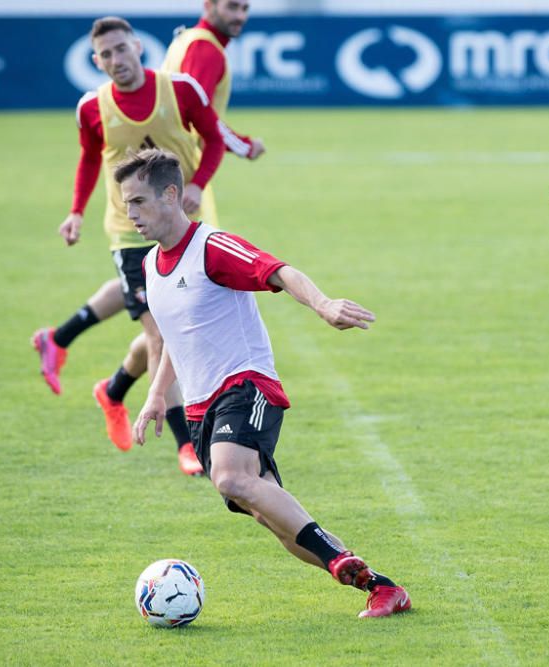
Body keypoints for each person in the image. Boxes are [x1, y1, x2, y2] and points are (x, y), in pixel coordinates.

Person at [124, 148, 410, 618]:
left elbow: (278, 270)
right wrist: (157, 394)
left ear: (171, 194)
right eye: (126, 204)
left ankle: (341, 560)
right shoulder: (152, 266)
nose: (129, 213)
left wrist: (322, 304)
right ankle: (381, 587)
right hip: (199, 409)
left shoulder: (212, 247)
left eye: (138, 201)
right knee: (270, 516)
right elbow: (177, 335)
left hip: (245, 384)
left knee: (231, 476)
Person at [33, 16, 228, 475]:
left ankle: (113, 388)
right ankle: (187, 444)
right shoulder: (92, 108)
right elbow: (88, 158)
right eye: (106, 54)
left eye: (122, 49)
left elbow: (215, 139)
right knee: (163, 333)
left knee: (171, 328)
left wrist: (198, 183)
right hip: (129, 231)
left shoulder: (179, 91)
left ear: (138, 47)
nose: (116, 60)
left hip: (182, 225)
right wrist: (76, 212)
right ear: (96, 61)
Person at [162, 0, 266, 160]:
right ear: (209, 5)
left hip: (168, 153)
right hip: (181, 159)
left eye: (245, 9)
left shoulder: (188, 37)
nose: (240, 16)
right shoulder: (206, 48)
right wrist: (246, 146)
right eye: (232, 7)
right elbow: (200, 114)